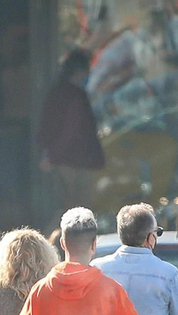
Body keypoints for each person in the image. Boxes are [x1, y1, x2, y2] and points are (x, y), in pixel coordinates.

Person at [39, 49, 105, 214]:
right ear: (80, 72)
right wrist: (54, 157)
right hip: (74, 162)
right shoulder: (75, 96)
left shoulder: (56, 93)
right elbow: (71, 130)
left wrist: (50, 156)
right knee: (78, 210)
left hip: (64, 160)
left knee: (68, 207)